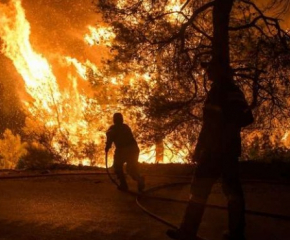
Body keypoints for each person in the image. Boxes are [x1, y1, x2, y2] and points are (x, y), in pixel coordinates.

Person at [167, 79, 254, 240]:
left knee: (199, 190)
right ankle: (237, 234)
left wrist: (200, 148)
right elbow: (248, 118)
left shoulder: (217, 91)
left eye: (211, 66)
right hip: (230, 150)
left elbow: (209, 125)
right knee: (233, 192)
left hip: (213, 151)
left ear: (219, 69)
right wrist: (231, 125)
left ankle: (187, 232)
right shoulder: (235, 91)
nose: (208, 72)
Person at [105, 112, 145, 192]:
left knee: (117, 167)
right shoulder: (126, 127)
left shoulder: (112, 129)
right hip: (133, 149)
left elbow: (109, 139)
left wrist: (107, 147)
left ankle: (123, 185)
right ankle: (139, 179)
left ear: (114, 120)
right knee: (131, 169)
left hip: (123, 150)